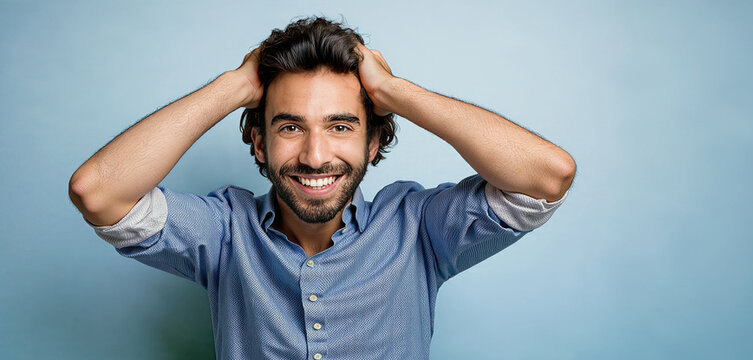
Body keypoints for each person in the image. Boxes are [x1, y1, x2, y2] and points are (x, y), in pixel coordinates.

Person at [69, 16, 575, 359]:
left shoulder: (418, 228)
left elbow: (546, 177)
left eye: (340, 126)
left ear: (374, 142)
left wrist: (393, 92)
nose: (315, 156)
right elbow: (99, 193)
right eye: (290, 127)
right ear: (259, 144)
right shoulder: (224, 233)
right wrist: (237, 85)